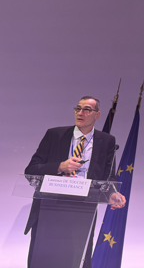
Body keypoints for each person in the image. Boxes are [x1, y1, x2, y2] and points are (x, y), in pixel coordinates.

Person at [24, 96, 127, 268]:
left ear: (97, 115)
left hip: (83, 208)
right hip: (51, 206)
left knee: (77, 259)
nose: (80, 112)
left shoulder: (107, 141)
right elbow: (31, 170)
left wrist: (112, 193)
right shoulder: (54, 135)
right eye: (78, 108)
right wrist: (60, 166)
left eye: (87, 109)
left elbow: (108, 176)